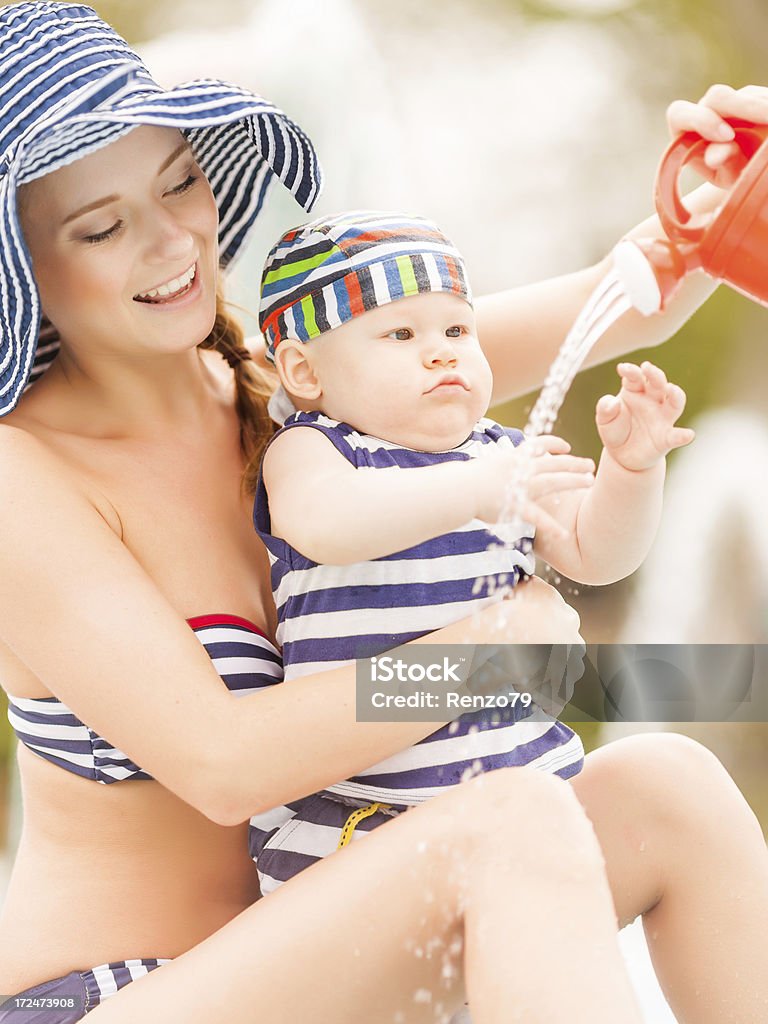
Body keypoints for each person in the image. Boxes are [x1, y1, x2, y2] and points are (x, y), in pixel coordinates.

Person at [0, 4, 766, 1022]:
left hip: (336, 947)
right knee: (510, 824)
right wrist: (489, 653)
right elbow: (224, 766)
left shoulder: (296, 389)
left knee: (670, 782)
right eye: (102, 226)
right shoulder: (26, 477)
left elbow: (616, 301)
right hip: (115, 997)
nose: (171, 239)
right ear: (23, 272)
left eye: (179, 180)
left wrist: (716, 199)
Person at [248, 210, 694, 895]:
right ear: (305, 370)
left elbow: (595, 554)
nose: (442, 352)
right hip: (370, 818)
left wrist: (631, 473)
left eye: (458, 330)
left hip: (526, 794)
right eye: (401, 334)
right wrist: (474, 490)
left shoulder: (500, 454)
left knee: (671, 789)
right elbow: (329, 525)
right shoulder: (315, 450)